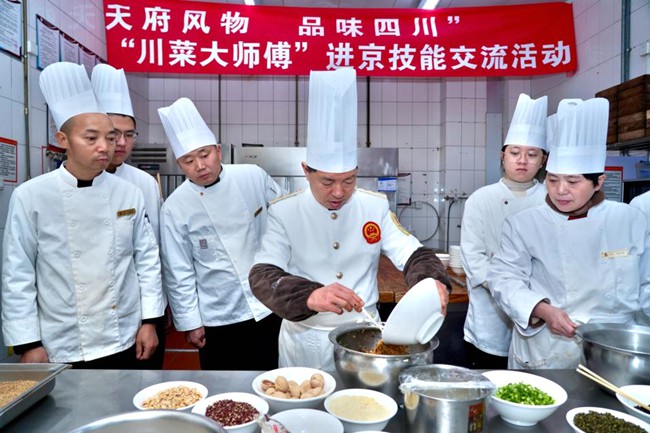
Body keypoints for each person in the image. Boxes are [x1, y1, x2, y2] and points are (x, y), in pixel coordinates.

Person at [249, 68, 451, 370]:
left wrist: (431, 281)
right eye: (327, 181)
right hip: (305, 339)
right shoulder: (284, 212)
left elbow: (414, 254)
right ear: (306, 171)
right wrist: (310, 294)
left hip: (366, 338)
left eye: (349, 180)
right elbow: (263, 274)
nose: (339, 192)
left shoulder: (374, 206)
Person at [1, 62, 164, 368]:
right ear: (63, 140)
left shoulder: (129, 193)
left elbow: (146, 261)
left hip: (124, 333)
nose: (105, 147)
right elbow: (18, 273)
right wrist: (28, 342)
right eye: (91, 138)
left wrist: (150, 320)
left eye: (110, 138)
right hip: (62, 340)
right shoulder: (31, 195)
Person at [488, 97, 650, 369]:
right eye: (552, 180)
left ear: (598, 182)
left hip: (615, 350)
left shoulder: (631, 219)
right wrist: (542, 309)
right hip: (547, 350)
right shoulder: (525, 224)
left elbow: (646, 284)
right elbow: (503, 279)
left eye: (573, 182)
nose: (560, 190)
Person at [158, 97, 283, 370]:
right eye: (189, 160)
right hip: (218, 314)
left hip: (268, 304)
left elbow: (286, 220)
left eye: (205, 155)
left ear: (218, 151)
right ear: (179, 164)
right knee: (223, 386)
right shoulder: (174, 207)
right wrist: (190, 322)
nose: (200, 166)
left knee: (273, 380)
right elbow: (178, 270)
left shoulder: (253, 176)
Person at [460, 94, 548, 369]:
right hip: (490, 319)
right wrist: (513, 294)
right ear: (502, 156)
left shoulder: (551, 200)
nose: (522, 161)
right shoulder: (480, 199)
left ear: (543, 160)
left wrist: (532, 303)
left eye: (532, 154)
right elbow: (473, 259)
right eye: (514, 153)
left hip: (541, 318)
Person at [91, 63, 167, 369]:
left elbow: (153, 253)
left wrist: (154, 315)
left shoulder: (144, 183)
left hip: (139, 312)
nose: (121, 143)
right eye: (113, 134)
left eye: (128, 134)